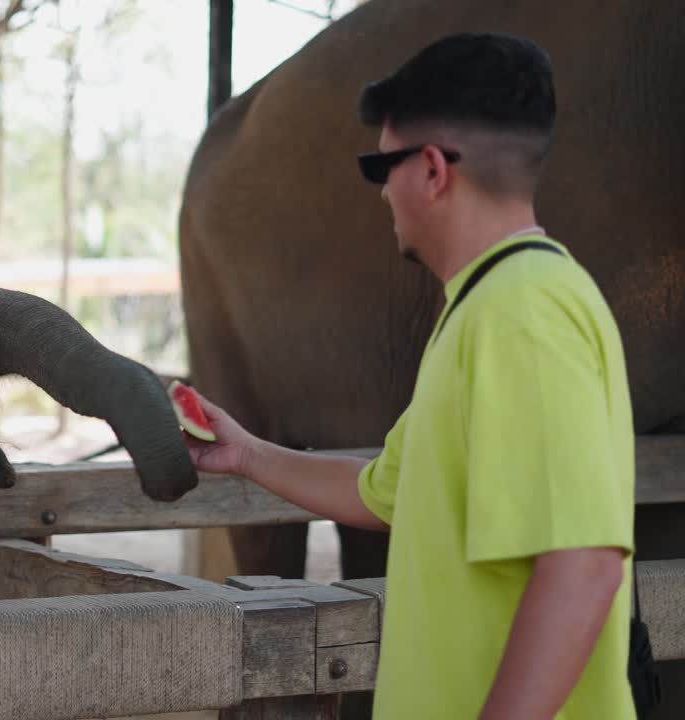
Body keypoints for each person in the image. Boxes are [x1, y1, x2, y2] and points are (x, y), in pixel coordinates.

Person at [186, 33, 635, 719]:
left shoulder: (523, 311)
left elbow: (583, 565)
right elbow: (384, 491)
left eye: (381, 166)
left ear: (431, 171)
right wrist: (247, 453)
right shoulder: (486, 306)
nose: (382, 192)